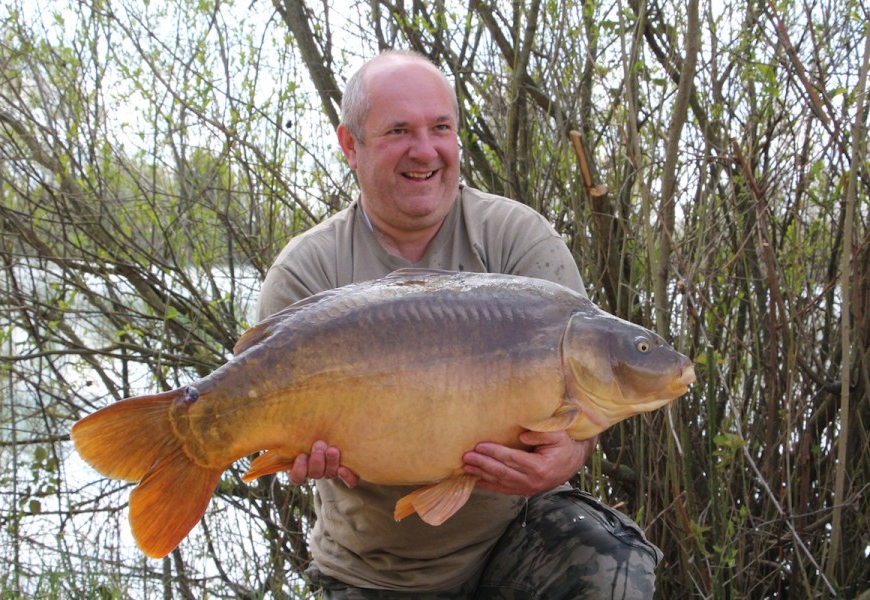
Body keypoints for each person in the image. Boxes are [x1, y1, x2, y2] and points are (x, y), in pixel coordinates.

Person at [257, 49, 662, 599]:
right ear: (350, 145)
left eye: (440, 127)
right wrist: (296, 455)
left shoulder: (518, 240)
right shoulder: (308, 271)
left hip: (511, 541)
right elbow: (274, 433)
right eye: (399, 130)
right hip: (371, 567)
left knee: (611, 564)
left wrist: (569, 456)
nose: (425, 150)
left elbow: (579, 407)